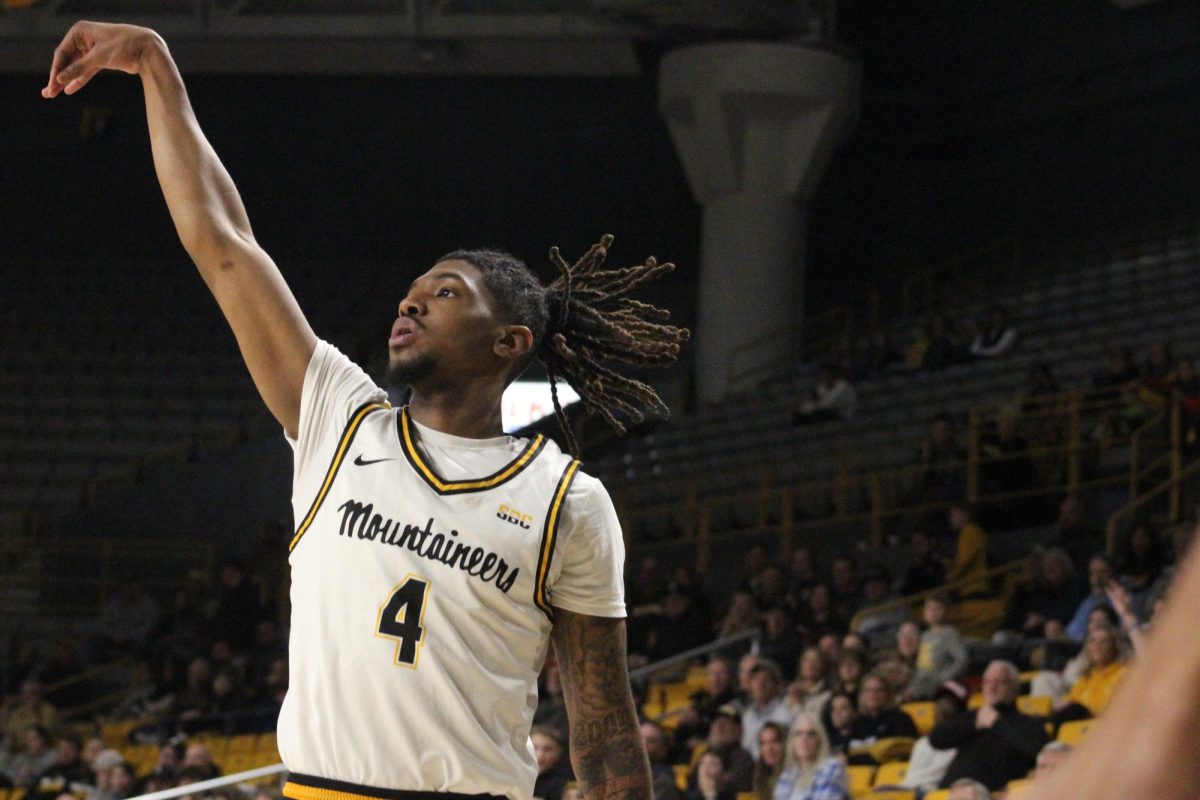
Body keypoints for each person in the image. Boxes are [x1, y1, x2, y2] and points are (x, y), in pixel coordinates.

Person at [42, 20, 689, 800]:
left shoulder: (569, 501)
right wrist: (153, 63)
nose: (412, 300)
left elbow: (605, 731)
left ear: (510, 340)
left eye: (447, 292)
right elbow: (224, 243)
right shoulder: (340, 419)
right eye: (413, 290)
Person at [930, 661, 1047, 792]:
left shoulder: (1026, 722)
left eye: (999, 682)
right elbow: (937, 739)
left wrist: (997, 723)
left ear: (1014, 688)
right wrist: (972, 724)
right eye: (987, 682)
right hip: (952, 792)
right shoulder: (973, 716)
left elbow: (1040, 750)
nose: (991, 687)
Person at [771, 712, 849, 800]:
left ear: (820, 740)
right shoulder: (788, 775)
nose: (804, 739)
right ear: (792, 741)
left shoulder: (832, 767)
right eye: (798, 734)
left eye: (811, 734)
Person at [908, 592, 969, 700]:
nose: (932, 612)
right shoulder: (925, 635)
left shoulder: (949, 633)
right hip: (922, 683)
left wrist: (945, 677)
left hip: (937, 685)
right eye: (928, 608)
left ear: (947, 611)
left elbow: (962, 659)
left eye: (937, 608)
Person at [741, 661, 796, 758]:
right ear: (750, 685)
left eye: (766, 680)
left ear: (776, 685)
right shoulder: (747, 715)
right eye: (755, 679)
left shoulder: (785, 713)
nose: (760, 684)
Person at [791, 364, 857, 425]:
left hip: (841, 414)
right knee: (799, 417)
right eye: (823, 375)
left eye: (826, 375)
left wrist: (807, 408)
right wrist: (803, 408)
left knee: (817, 414)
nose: (823, 377)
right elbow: (816, 401)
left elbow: (828, 404)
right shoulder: (822, 387)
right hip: (826, 411)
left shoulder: (843, 387)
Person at [638, 723, 682, 800]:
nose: (643, 743)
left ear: (662, 749)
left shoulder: (664, 781)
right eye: (639, 738)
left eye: (651, 740)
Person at [752, 722, 787, 800]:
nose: (769, 749)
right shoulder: (759, 778)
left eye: (774, 741)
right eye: (763, 743)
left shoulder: (795, 776)